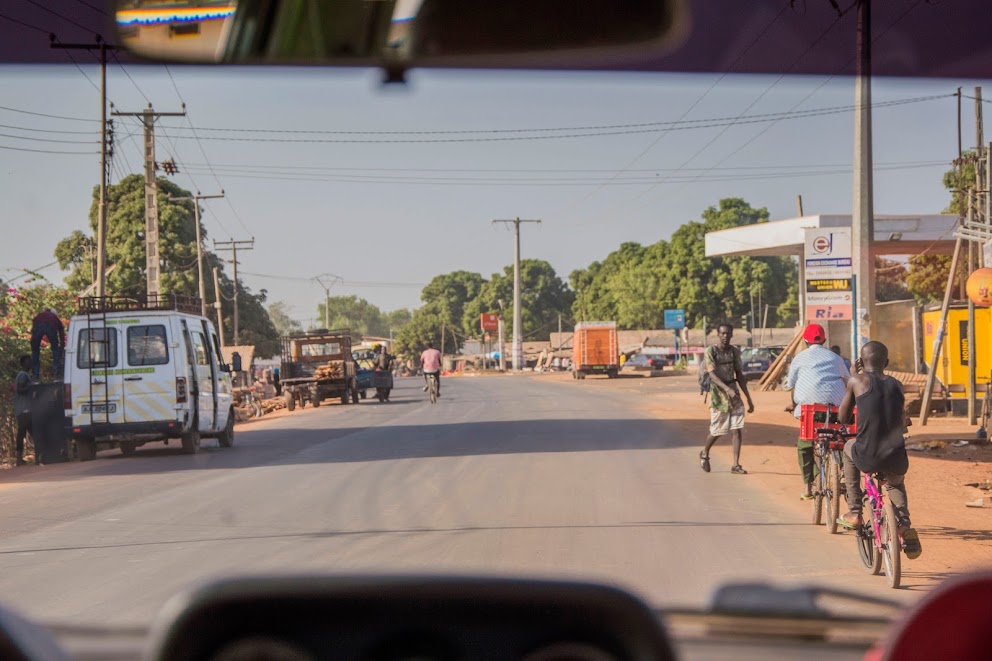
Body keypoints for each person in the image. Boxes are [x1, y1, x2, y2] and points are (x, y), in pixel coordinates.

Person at [837, 341, 922, 559]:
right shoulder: (897, 384)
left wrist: (852, 377)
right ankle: (904, 524)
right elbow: (901, 420)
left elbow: (843, 418)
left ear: (861, 362)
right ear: (887, 362)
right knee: (896, 484)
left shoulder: (857, 380)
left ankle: (854, 510)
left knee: (848, 447)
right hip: (895, 455)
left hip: (866, 454)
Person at [786, 324, 852, 500]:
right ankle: (845, 472)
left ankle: (808, 487)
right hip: (836, 410)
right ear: (824, 340)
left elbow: (790, 385)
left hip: (809, 411)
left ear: (805, 340)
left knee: (804, 445)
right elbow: (847, 380)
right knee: (840, 439)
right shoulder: (836, 358)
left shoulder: (799, 359)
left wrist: (793, 404)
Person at [699, 323, 754, 475]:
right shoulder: (711, 351)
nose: (725, 336)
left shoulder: (734, 352)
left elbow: (739, 375)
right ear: (718, 334)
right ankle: (704, 452)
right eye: (722, 333)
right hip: (718, 396)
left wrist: (749, 399)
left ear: (731, 335)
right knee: (718, 431)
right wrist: (727, 389)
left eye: (727, 334)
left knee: (737, 429)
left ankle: (735, 465)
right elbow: (712, 375)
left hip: (734, 395)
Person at [30, 308, 65, 380]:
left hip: (38, 326)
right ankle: (56, 373)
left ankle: (35, 374)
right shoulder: (54, 317)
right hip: (50, 326)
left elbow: (33, 327)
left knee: (35, 351)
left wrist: (33, 344)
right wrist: (62, 345)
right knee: (55, 349)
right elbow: (61, 331)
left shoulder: (39, 315)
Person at [14, 355, 33, 466]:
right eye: (28, 361)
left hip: (23, 409)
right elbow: (20, 389)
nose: (30, 363)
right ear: (23, 363)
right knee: (24, 433)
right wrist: (31, 387)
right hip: (24, 410)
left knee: (27, 432)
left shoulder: (25, 375)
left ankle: (19, 458)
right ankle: (19, 458)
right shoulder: (23, 375)